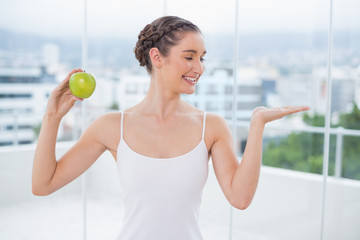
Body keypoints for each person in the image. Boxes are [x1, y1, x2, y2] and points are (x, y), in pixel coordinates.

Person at [32, 16, 309, 240]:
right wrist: (52, 117)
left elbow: (240, 198)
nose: (199, 68)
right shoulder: (111, 126)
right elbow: (43, 184)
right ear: (157, 57)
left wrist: (257, 124)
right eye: (189, 57)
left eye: (202, 58)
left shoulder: (211, 127)